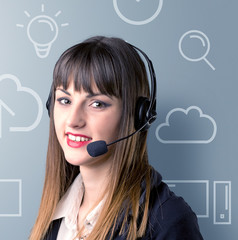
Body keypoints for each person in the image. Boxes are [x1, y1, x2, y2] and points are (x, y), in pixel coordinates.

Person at [29, 36, 203, 240]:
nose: (73, 120)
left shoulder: (167, 220)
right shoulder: (55, 216)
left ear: (137, 116)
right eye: (65, 100)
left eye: (97, 104)